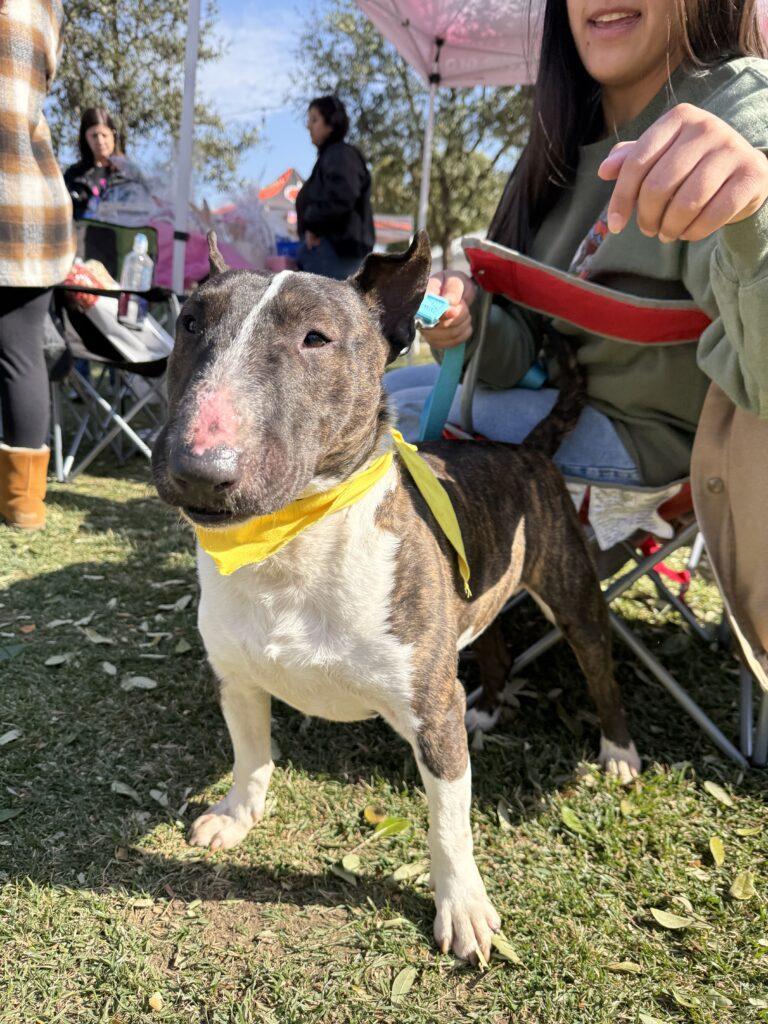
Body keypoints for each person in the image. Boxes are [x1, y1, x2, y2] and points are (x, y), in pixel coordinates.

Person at [387, 0, 768, 491]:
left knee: (382, 420)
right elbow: (518, 360)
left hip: (656, 448)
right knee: (370, 394)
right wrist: (467, 321)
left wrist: (755, 213)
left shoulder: (743, 109)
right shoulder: (559, 139)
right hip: (553, 399)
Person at [0, 0, 75, 530]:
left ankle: (22, 502)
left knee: (18, 354)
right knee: (20, 355)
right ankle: (23, 504)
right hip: (31, 201)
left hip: (10, 202)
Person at [295, 95, 375, 279]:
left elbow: (341, 197)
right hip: (330, 255)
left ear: (331, 122)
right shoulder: (329, 157)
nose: (309, 126)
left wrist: (314, 226)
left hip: (338, 254)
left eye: (314, 120)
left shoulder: (340, 154)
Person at [64, 107, 150, 222]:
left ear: (113, 135)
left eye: (104, 135)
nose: (100, 141)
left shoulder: (130, 173)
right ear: (85, 138)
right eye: (94, 136)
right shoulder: (74, 175)